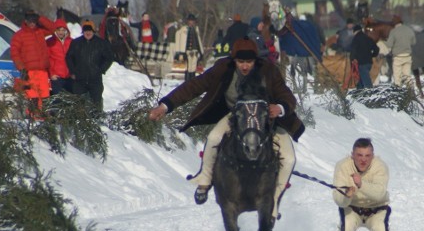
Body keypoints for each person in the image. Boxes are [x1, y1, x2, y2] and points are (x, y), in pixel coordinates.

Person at [147, 37, 305, 219]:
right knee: (214, 138)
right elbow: (193, 86)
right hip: (237, 116)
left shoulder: (268, 70)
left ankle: (274, 203)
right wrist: (165, 106)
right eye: (240, 62)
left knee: (290, 158)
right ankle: (205, 180)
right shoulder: (223, 68)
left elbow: (287, 96)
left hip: (267, 119)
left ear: (256, 60)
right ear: (233, 60)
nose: (245, 66)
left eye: (249, 62)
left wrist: (280, 108)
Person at [10, 9, 58, 112]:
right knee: (33, 97)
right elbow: (15, 53)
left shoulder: (40, 31)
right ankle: (32, 120)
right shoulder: (19, 35)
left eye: (34, 21)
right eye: (30, 21)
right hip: (29, 72)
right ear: (25, 21)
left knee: (45, 97)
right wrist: (21, 68)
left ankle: (44, 119)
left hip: (42, 71)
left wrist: (40, 18)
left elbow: (54, 28)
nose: (32, 23)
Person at [65, 20, 115, 113]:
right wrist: (72, 71)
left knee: (96, 103)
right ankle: (80, 122)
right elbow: (69, 57)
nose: (88, 32)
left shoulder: (101, 43)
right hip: (79, 79)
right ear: (83, 32)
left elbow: (109, 57)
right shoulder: (76, 43)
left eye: (90, 30)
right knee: (78, 103)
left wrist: (101, 69)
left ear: (93, 31)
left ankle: (97, 121)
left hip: (95, 79)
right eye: (85, 30)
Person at [385, 15, 416, 88]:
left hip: (397, 57)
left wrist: (386, 41)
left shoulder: (394, 31)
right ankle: (410, 91)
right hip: (408, 56)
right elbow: (413, 42)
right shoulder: (409, 30)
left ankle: (398, 92)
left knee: (397, 77)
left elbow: (389, 44)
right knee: (407, 76)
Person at [47, 18, 73, 95]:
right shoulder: (50, 42)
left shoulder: (72, 42)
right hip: (56, 77)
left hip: (69, 76)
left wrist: (74, 73)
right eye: (59, 30)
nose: (61, 32)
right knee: (57, 100)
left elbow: (76, 58)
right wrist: (51, 74)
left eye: (63, 30)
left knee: (69, 100)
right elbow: (47, 59)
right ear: (55, 30)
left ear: (66, 30)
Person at [349, 25, 379, 89]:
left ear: (354, 31)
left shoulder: (355, 39)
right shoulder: (368, 38)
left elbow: (353, 51)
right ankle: (359, 92)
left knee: (367, 82)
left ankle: (371, 94)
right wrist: (372, 55)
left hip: (361, 63)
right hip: (369, 62)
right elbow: (376, 49)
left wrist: (352, 60)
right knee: (361, 79)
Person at [177, 13, 204, 80]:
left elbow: (198, 41)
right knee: (188, 67)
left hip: (195, 51)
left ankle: (192, 80)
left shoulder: (196, 29)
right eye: (190, 20)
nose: (191, 22)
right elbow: (181, 41)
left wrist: (201, 52)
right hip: (187, 51)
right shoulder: (183, 30)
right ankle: (187, 81)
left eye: (193, 21)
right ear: (188, 21)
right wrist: (181, 52)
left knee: (193, 67)